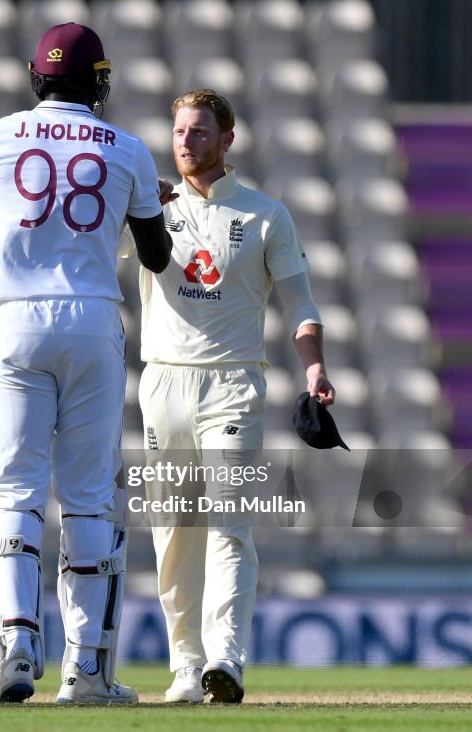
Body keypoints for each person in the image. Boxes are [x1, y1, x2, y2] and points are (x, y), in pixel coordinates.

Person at [0, 23, 173, 704]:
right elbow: (155, 258)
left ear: (37, 77)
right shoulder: (125, 148)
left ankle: (14, 643)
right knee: (89, 497)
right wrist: (143, 204)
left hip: (10, 322)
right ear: (98, 80)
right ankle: (87, 672)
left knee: (10, 490)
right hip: (93, 321)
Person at [128, 89, 336, 703]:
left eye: (198, 132)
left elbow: (301, 303)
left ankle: (226, 660)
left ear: (227, 140)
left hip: (234, 384)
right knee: (173, 532)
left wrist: (315, 367)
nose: (185, 143)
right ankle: (186, 667)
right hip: (163, 381)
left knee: (228, 526)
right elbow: (87, 255)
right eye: (179, 132)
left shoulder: (265, 213)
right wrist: (138, 210)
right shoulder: (149, 209)